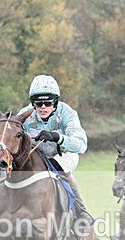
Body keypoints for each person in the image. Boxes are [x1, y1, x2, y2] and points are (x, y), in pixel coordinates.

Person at [18, 75, 93, 225]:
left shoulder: (68, 113)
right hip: (37, 156)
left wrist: (57, 137)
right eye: (38, 103)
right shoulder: (25, 114)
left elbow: (81, 145)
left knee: (58, 168)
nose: (43, 107)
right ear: (33, 103)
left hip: (64, 154)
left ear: (56, 102)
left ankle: (81, 211)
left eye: (48, 102)